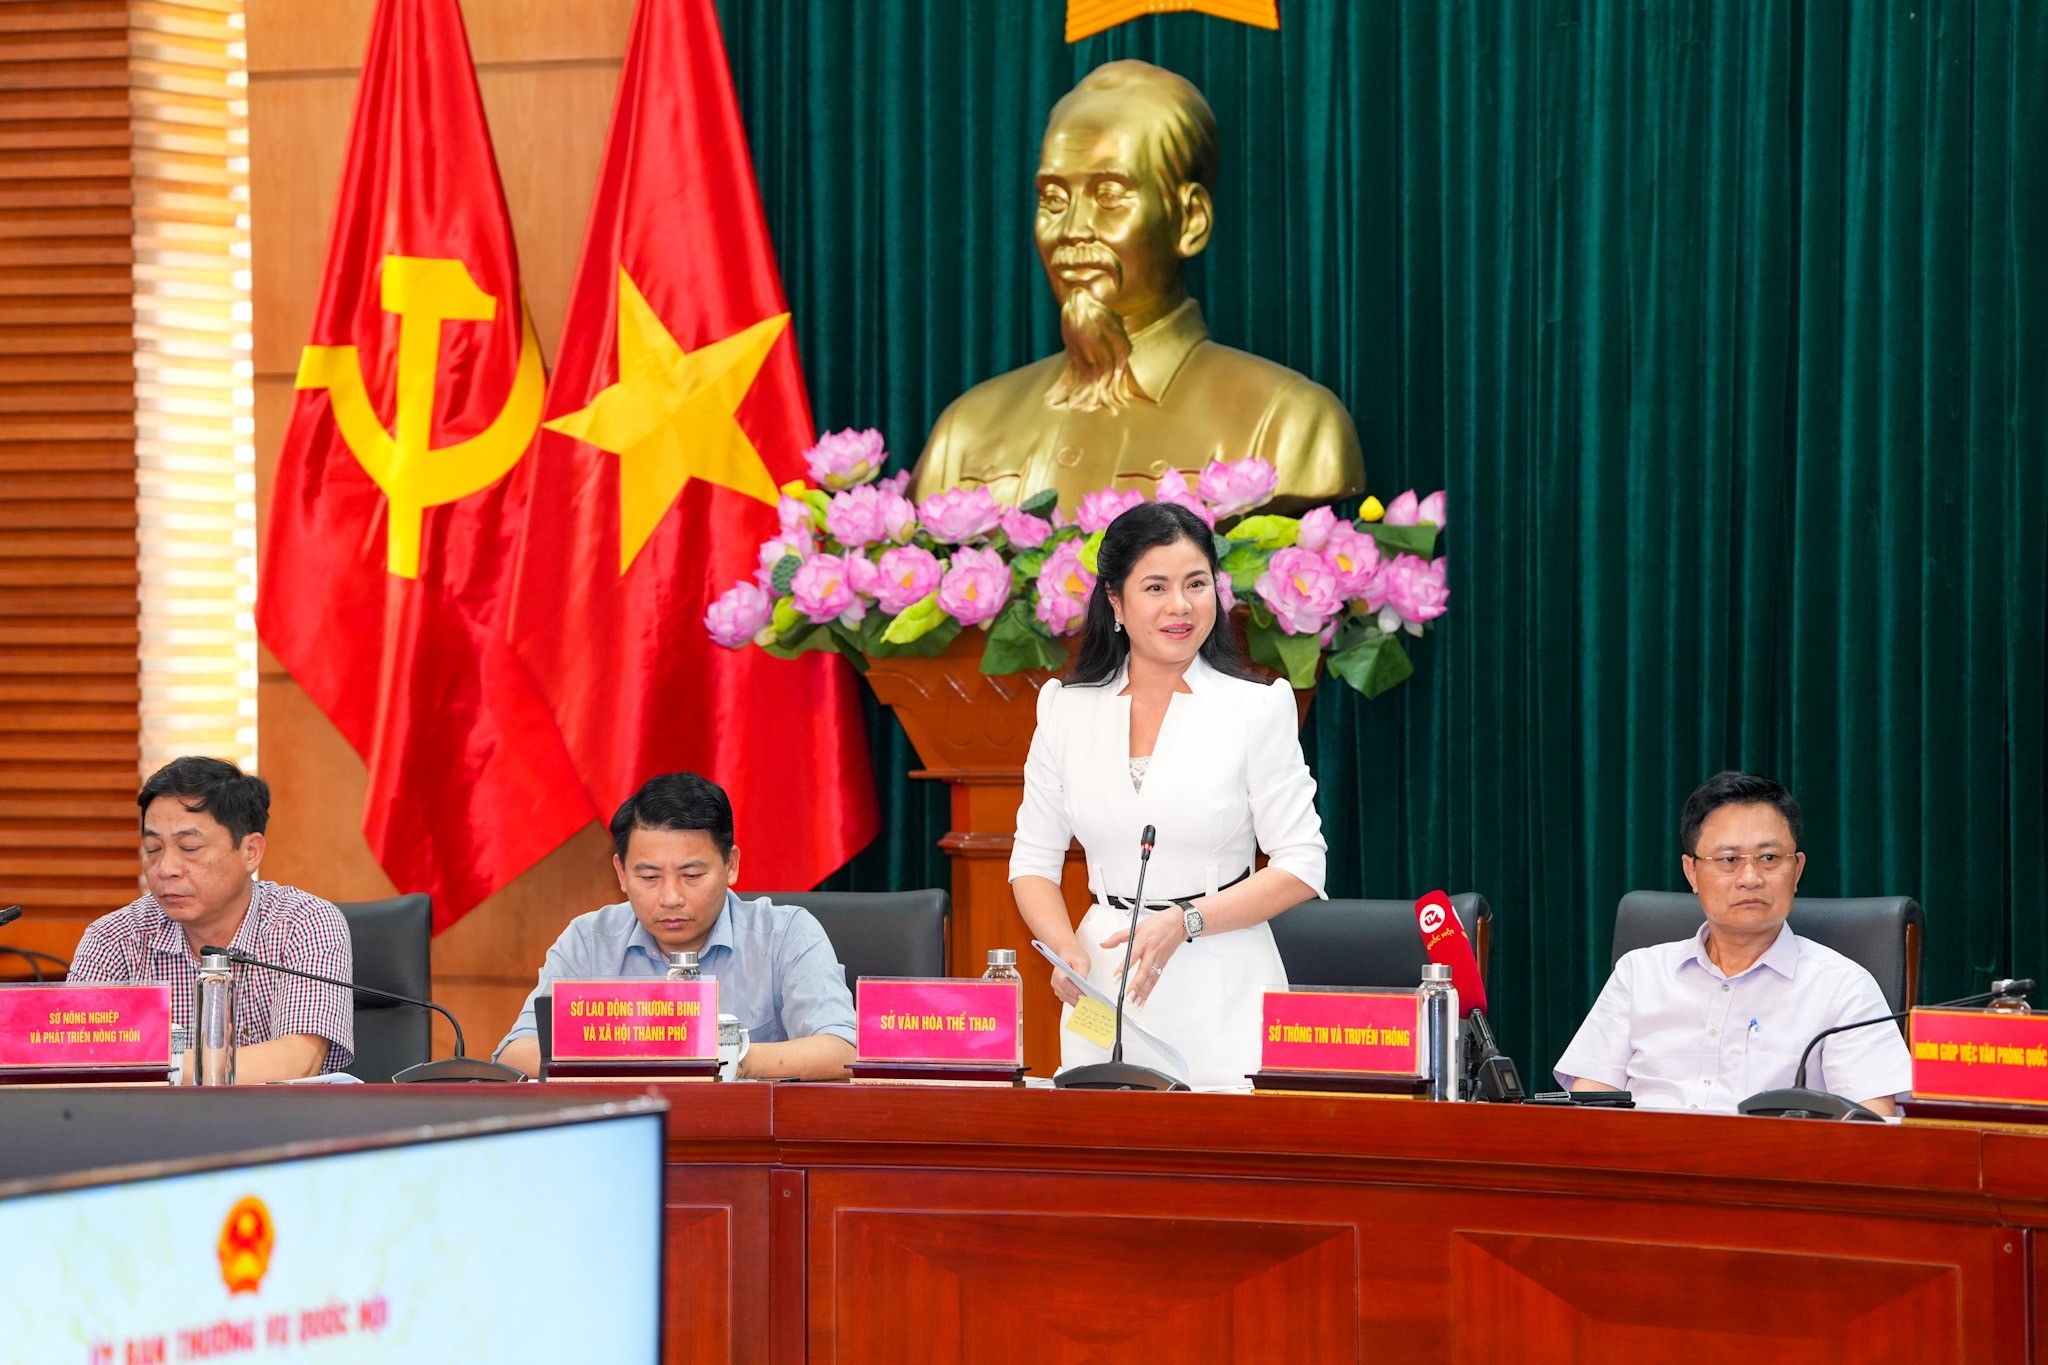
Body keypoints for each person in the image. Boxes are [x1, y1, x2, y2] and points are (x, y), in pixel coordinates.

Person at [910, 59, 1363, 515]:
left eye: (1109, 196)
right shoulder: (964, 431)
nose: (1072, 229)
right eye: (1053, 199)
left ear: (1190, 220)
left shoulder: (1287, 422)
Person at [1010, 501, 1327, 1088]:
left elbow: (1302, 865)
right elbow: (1032, 861)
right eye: (1156, 587)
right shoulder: (1065, 709)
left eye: (1196, 584)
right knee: (1103, 1143)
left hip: (1222, 974)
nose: (1180, 605)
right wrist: (1065, 952)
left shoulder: (1255, 708)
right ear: (1115, 601)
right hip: (1101, 983)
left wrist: (1187, 920)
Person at [1555, 771, 1913, 1115]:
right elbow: (1588, 1107)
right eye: (1729, 859)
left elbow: (1872, 1124)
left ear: (1797, 870)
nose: (1750, 878)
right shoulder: (1639, 973)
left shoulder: (1843, 987)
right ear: (1692, 872)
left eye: (1769, 858)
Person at [495, 772, 856, 1080]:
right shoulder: (589, 940)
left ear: (730, 865)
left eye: (692, 875)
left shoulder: (784, 934)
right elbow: (516, 1054)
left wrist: (731, 1057)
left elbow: (844, 1050)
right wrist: (650, 1052)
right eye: (650, 877)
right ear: (621, 873)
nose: (671, 897)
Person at [67, 756, 354, 1081]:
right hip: (148, 1116)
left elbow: (295, 1061)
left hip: (279, 1115)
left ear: (251, 851)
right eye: (153, 848)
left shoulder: (304, 923)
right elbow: (76, 1060)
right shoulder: (115, 938)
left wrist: (147, 1065)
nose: (165, 869)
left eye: (189, 847)